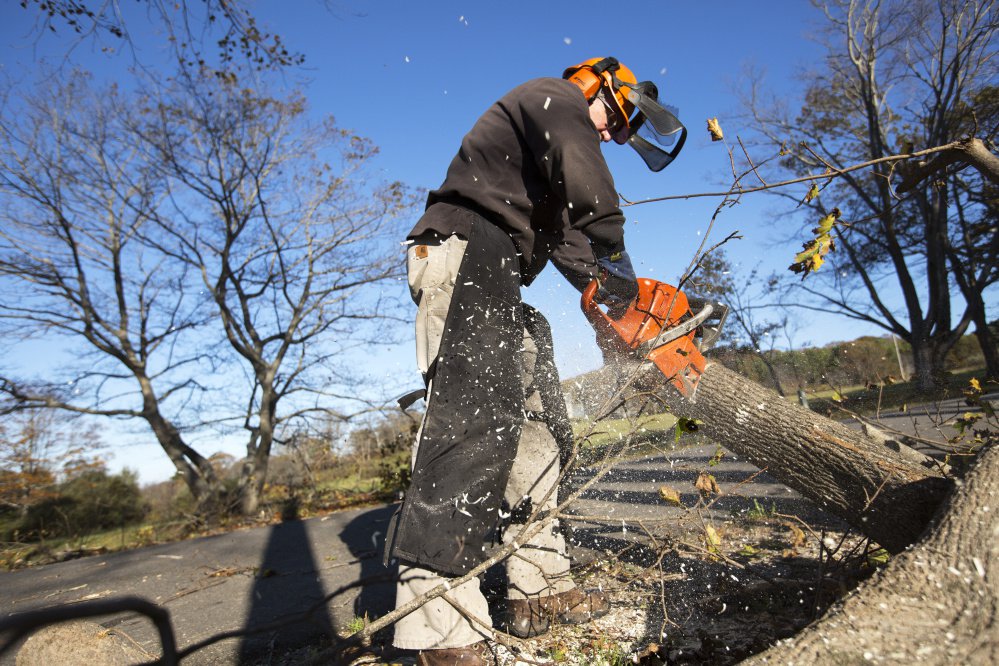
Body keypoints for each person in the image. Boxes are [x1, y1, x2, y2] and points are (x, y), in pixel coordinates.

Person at [383, 56, 686, 665]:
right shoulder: (552, 99)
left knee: (540, 432)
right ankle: (438, 626)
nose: (612, 135)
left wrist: (623, 310)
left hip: (498, 272)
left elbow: (582, 253)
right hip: (464, 247)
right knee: (470, 428)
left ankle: (540, 587)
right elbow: (597, 210)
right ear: (597, 87)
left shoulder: (549, 173)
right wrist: (617, 261)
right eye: (616, 119)